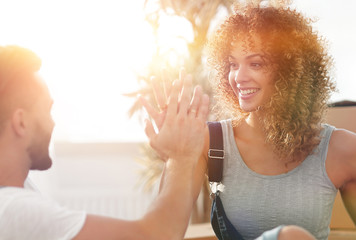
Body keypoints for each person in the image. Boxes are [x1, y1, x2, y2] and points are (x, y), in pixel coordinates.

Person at [142, 1, 356, 240]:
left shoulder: (343, 149)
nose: (238, 77)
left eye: (255, 63)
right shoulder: (209, 143)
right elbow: (162, 234)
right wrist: (176, 157)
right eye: (233, 64)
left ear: (292, 70)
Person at [0, 45, 210, 240]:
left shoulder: (20, 193)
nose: (52, 122)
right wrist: (180, 155)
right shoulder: (13, 211)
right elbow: (157, 235)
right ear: (21, 122)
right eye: (46, 110)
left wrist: (172, 159)